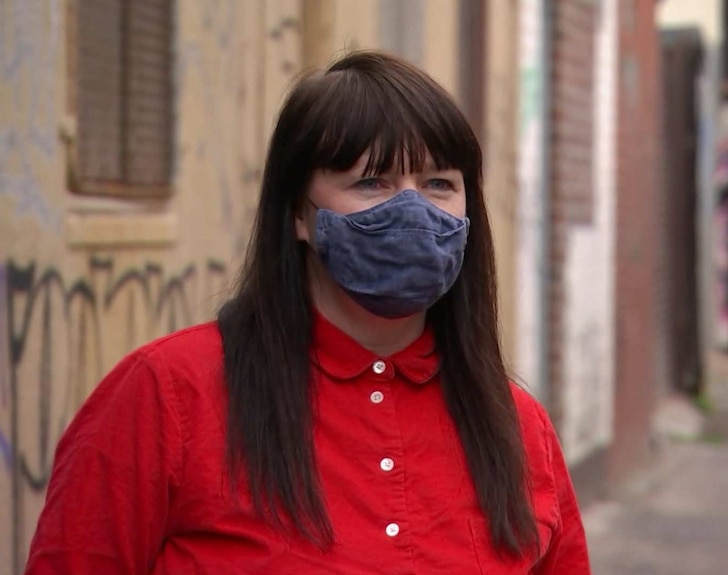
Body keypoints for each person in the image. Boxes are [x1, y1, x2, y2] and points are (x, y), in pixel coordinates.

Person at [25, 51, 591, 574]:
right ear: (299, 213)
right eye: (372, 182)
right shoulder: (168, 398)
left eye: (439, 184)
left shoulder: (517, 426)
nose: (413, 210)